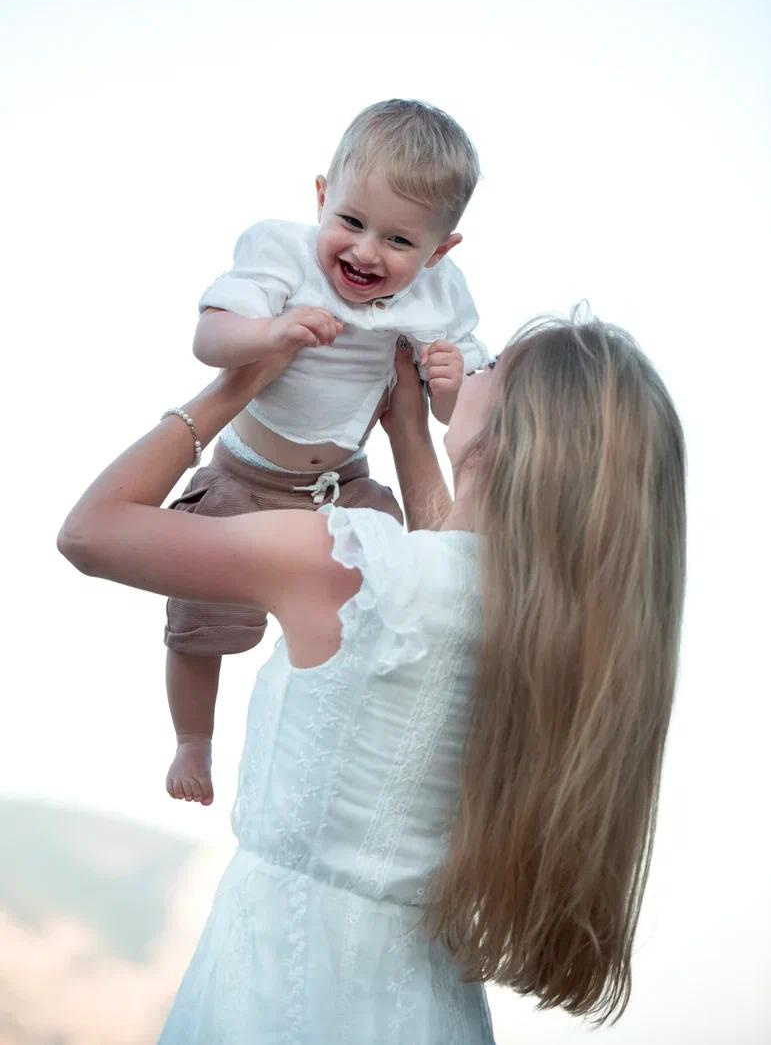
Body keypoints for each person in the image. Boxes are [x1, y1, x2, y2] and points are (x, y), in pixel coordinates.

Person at [58, 312, 686, 1040]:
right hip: (431, 1007)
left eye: (491, 367)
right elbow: (445, 566)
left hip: (276, 989)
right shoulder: (554, 639)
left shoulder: (344, 563)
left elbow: (90, 533)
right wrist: (408, 434)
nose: (471, 367)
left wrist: (237, 386)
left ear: (508, 432)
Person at [164, 98, 488, 807]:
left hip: (345, 484)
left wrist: (447, 385)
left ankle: (362, 732)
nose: (366, 252)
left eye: (399, 240)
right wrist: (268, 335)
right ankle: (192, 738)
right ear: (321, 197)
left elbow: (458, 415)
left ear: (438, 251)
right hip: (245, 478)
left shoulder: (440, 296)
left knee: (398, 596)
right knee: (198, 624)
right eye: (351, 221)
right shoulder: (282, 254)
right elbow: (209, 337)